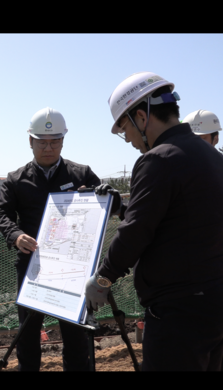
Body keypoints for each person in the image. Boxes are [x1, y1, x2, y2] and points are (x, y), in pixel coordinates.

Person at [85, 71, 223, 371]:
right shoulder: (210, 156)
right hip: (212, 301)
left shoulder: (158, 159)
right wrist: (123, 206)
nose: (130, 140)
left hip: (178, 312)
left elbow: (137, 231)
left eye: (126, 130)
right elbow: (176, 216)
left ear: (142, 117)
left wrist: (103, 278)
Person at [0, 107, 117, 371]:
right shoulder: (16, 180)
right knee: (28, 334)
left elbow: (111, 205)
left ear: (63, 140)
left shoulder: (81, 174)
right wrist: (16, 236)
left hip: (74, 269)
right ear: (30, 141)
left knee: (75, 334)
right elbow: (2, 213)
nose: (48, 148)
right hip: (32, 268)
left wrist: (110, 195)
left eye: (55, 141)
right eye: (41, 141)